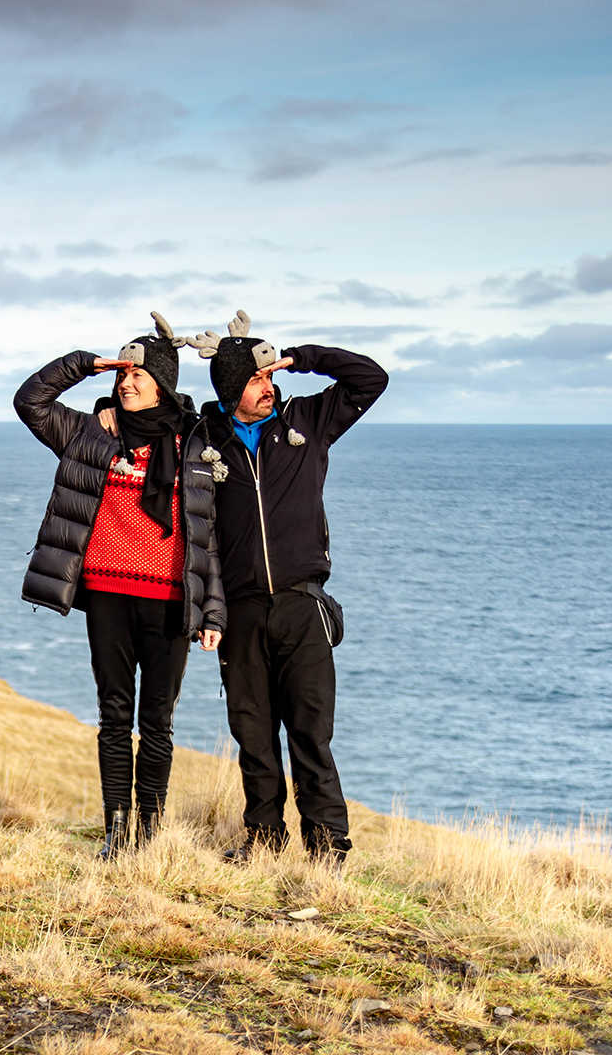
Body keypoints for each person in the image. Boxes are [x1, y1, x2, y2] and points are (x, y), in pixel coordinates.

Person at [16, 313, 225, 858]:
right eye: (122, 375)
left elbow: (209, 538)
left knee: (157, 722)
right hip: (107, 596)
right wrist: (87, 365)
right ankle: (116, 832)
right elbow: (29, 401)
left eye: (137, 374)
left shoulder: (197, 441)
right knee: (114, 717)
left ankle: (149, 833)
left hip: (171, 603)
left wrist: (214, 613)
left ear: (163, 381)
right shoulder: (91, 432)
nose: (126, 383)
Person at [188, 310, 388, 863]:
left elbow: (371, 379)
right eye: (258, 380)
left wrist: (303, 357)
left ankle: (327, 850)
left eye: (271, 377)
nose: (269, 387)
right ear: (232, 387)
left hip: (303, 607)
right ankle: (264, 843)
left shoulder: (309, 423)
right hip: (241, 612)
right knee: (253, 737)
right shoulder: (203, 443)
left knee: (310, 736)